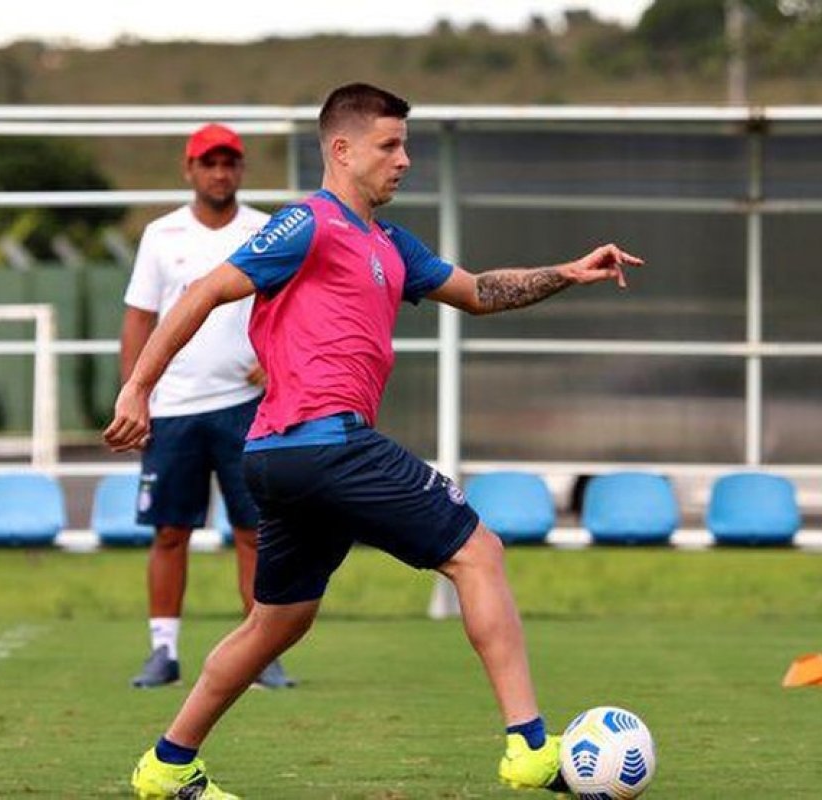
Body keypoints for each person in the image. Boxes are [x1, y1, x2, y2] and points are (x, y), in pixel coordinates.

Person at [105, 82, 643, 799]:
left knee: (275, 623)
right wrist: (140, 387)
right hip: (326, 444)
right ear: (342, 149)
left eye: (405, 145)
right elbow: (202, 290)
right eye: (390, 145)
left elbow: (480, 291)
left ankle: (167, 765)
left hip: (279, 458)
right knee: (478, 552)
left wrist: (569, 273)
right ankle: (530, 749)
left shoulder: (392, 245)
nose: (404, 160)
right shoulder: (306, 224)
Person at [122, 123, 294, 690]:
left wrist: (278, 362)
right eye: (208, 163)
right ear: (189, 169)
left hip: (248, 406)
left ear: (241, 170)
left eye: (229, 163)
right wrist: (135, 395)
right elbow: (139, 317)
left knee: (255, 530)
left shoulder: (267, 230)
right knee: (170, 531)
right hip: (172, 408)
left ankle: (261, 651)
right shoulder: (160, 234)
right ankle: (163, 651)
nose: (219, 173)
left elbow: (294, 309)